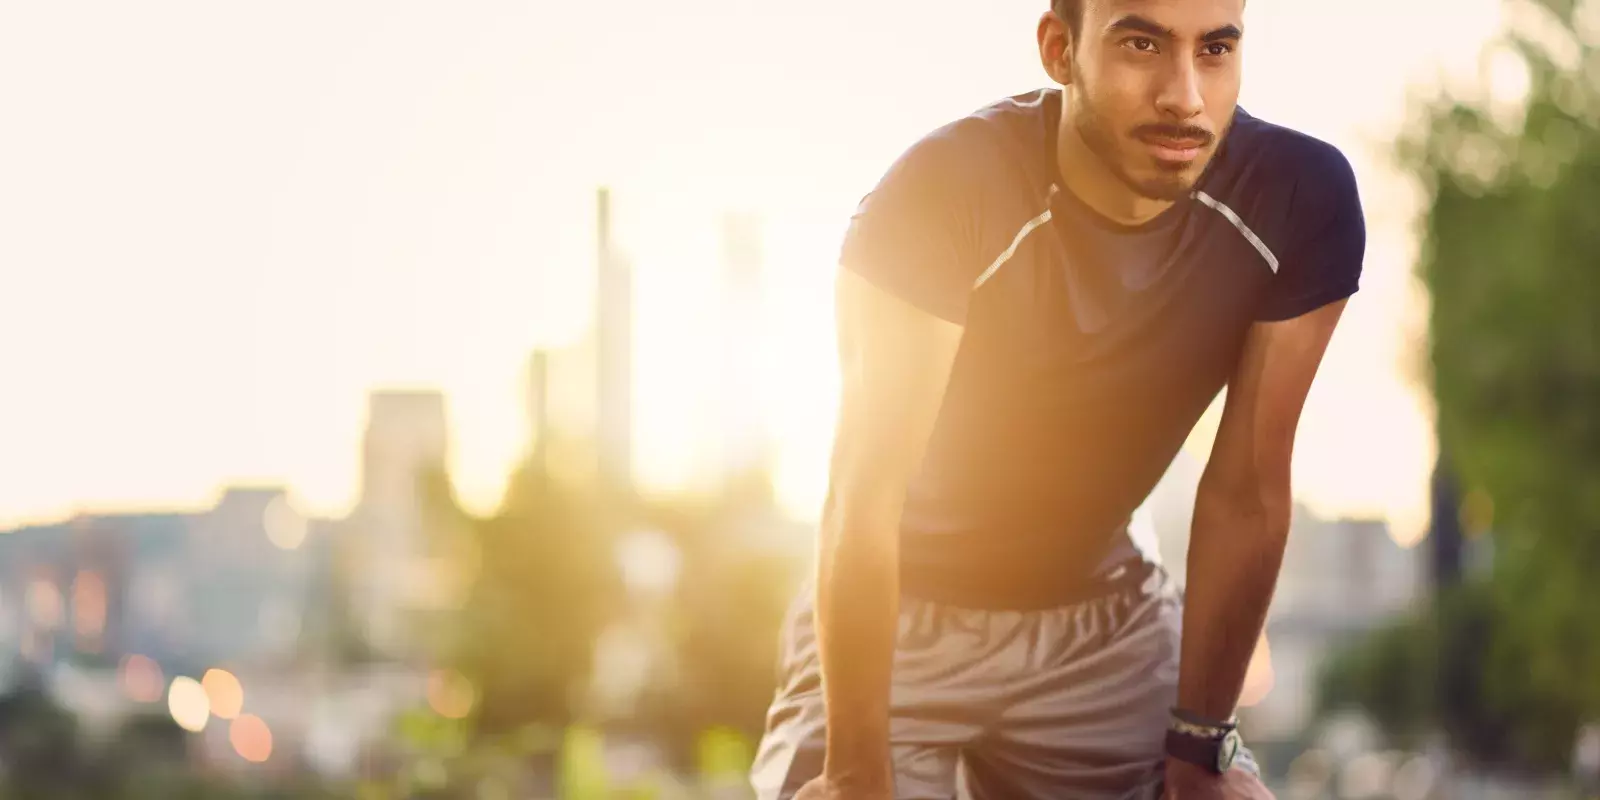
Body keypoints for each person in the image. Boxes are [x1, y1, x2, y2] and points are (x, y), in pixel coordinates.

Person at [748, 0, 1364, 797]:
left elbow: (1247, 487)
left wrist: (1202, 747)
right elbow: (862, 502)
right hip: (899, 611)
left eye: (1215, 49)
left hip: (1102, 623)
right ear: (1057, 48)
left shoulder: (1297, 200)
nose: (1185, 95)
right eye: (1141, 44)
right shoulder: (940, 193)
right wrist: (857, 771)